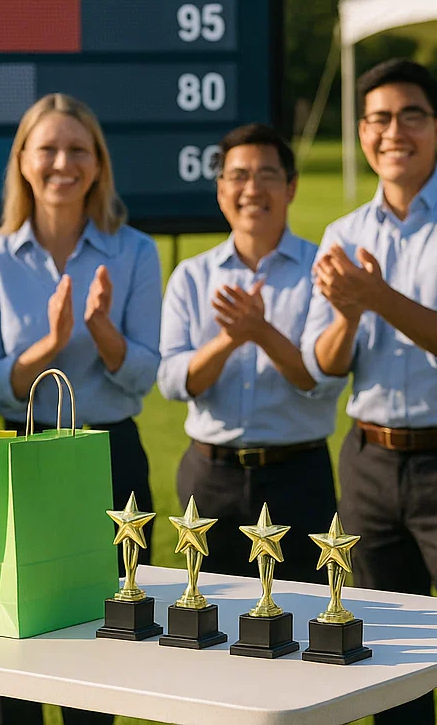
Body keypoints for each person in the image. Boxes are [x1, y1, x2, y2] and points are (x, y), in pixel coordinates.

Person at [301, 59, 437, 725]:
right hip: (368, 462)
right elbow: (322, 365)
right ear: (361, 132)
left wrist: (376, 296)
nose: (392, 131)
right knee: (389, 658)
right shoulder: (344, 233)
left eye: (410, 116)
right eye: (377, 119)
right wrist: (348, 314)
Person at [0, 93, 161, 725]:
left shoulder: (135, 253)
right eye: (47, 148)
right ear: (23, 161)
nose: (62, 163)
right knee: (14, 640)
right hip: (22, 453)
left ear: (98, 165)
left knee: (102, 644)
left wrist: (100, 328)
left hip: (110, 456)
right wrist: (48, 345)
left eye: (79, 149)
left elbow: (142, 377)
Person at [158, 123, 343, 577]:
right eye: (238, 176)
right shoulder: (192, 276)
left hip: (298, 476)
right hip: (210, 476)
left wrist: (260, 331)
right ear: (221, 190)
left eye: (267, 175)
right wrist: (231, 337)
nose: (252, 189)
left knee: (306, 623)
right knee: (207, 622)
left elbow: (316, 379)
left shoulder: (322, 269)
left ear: (292, 186)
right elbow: (174, 382)